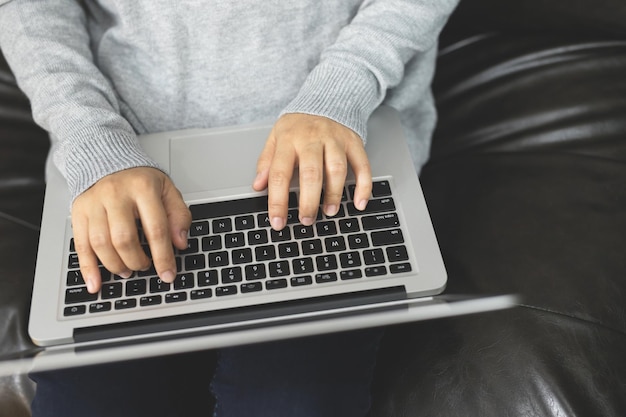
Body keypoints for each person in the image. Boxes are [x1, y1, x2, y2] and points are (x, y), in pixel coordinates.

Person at [0, 0, 459, 416]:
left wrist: (342, 91)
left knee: (292, 402)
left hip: (337, 143)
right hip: (124, 158)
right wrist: (94, 142)